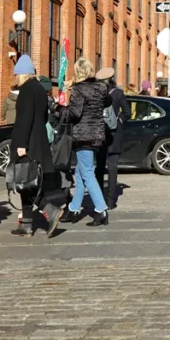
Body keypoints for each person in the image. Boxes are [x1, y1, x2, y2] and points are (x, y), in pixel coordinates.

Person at [9, 56, 62, 236]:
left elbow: (25, 119)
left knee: (26, 182)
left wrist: (21, 145)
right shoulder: (40, 89)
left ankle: (50, 210)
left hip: (27, 142)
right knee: (28, 182)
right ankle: (26, 224)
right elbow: (44, 117)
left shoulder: (26, 90)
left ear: (21, 74)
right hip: (39, 140)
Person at [59, 57, 111, 226]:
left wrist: (59, 109)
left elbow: (74, 114)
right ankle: (73, 209)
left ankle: (101, 210)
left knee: (87, 172)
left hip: (83, 136)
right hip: (97, 135)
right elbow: (107, 102)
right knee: (80, 173)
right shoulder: (101, 88)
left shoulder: (79, 90)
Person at [95, 67, 129, 209]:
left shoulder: (96, 93)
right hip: (115, 133)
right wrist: (119, 120)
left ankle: (99, 198)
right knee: (113, 167)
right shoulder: (118, 93)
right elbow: (127, 112)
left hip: (99, 133)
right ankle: (111, 201)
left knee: (99, 167)